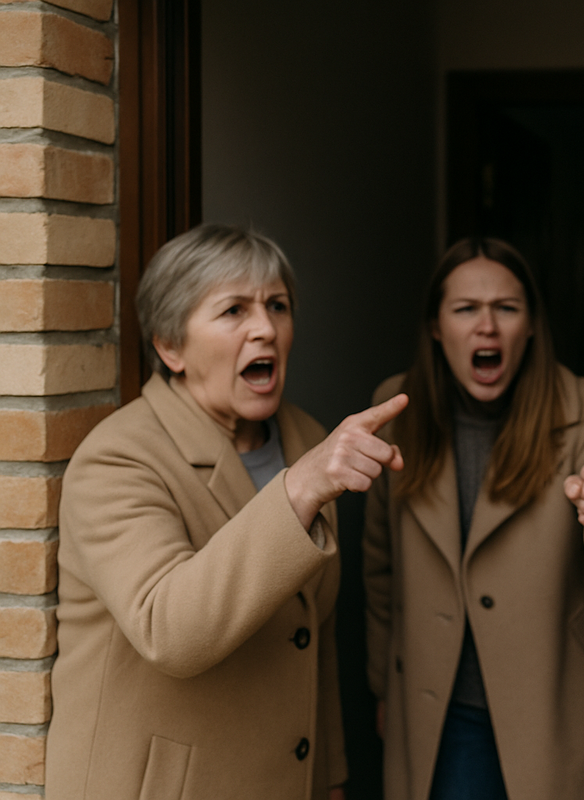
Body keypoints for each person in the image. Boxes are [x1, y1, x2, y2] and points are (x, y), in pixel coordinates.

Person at [45, 224, 408, 800]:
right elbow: (169, 631)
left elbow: (311, 635)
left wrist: (330, 775)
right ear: (171, 347)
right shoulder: (118, 458)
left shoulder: (307, 438)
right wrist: (298, 490)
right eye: (234, 310)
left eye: (277, 306)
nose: (265, 328)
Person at [363, 236, 584, 800]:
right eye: (466, 309)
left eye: (506, 308)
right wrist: (384, 686)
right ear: (436, 327)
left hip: (553, 716)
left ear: (530, 326)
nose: (487, 327)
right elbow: (380, 568)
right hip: (438, 716)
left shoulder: (583, 406)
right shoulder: (395, 408)